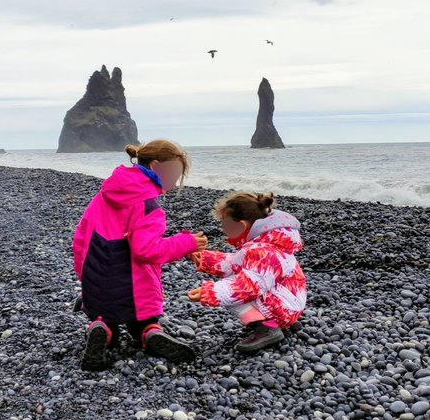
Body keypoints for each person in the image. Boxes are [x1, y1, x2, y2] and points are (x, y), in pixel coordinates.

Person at [73, 140, 208, 371]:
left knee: (104, 317)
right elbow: (147, 250)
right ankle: (150, 333)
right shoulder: (148, 205)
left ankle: (101, 331)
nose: (174, 183)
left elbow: (81, 236)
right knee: (142, 320)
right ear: (156, 167)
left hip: (96, 274)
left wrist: (85, 275)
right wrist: (186, 243)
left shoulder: (105, 194)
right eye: (174, 175)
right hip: (133, 283)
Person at [188, 191, 306, 352]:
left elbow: (247, 287)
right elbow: (235, 263)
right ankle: (270, 322)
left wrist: (211, 292)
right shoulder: (262, 243)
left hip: (284, 308)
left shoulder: (262, 251)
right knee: (236, 280)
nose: (223, 230)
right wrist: (205, 259)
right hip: (285, 302)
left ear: (241, 225)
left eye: (225, 225)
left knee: (232, 293)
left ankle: (267, 327)